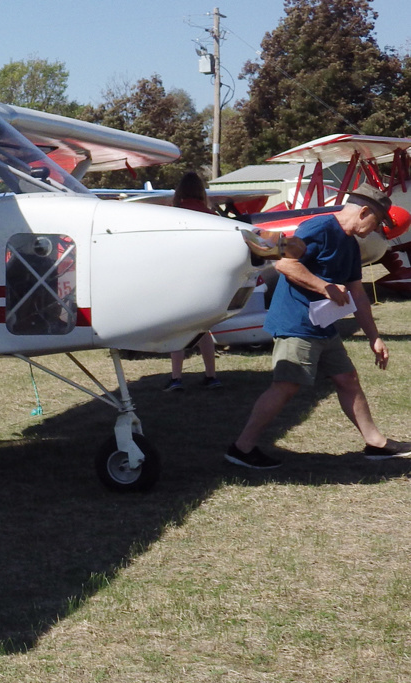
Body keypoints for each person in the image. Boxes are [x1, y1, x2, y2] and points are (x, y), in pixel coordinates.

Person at [227, 184, 409, 468]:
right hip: (296, 324)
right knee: (285, 386)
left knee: (347, 380)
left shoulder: (350, 243)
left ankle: (376, 443)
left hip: (322, 326)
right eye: (377, 221)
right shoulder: (319, 228)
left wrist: (374, 337)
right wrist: (325, 287)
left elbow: (357, 293)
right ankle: (242, 448)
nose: (376, 230)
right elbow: (284, 265)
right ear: (363, 212)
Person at [166, 171, 221, 391]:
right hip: (206, 282)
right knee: (203, 330)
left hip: (177, 280)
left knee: (177, 330)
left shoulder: (169, 217)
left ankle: (176, 377)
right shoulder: (212, 217)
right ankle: (211, 375)